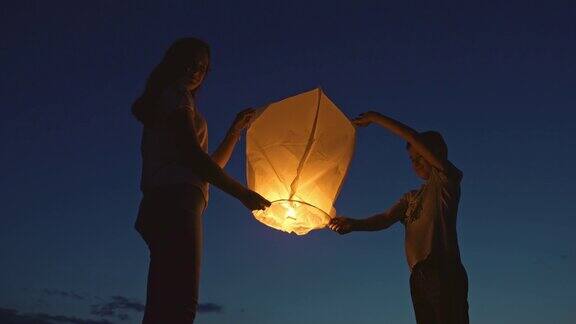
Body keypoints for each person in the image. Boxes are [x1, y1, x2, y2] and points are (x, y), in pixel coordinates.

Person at [131, 37, 270, 324]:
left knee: (164, 302)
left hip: (170, 203)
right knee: (180, 305)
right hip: (175, 202)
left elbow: (206, 166)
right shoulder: (177, 96)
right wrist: (242, 194)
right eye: (191, 63)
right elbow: (195, 159)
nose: (196, 71)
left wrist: (234, 131)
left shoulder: (175, 99)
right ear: (174, 62)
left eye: (203, 68)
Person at [329, 111, 469, 324]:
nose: (416, 163)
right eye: (412, 159)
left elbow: (413, 138)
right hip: (418, 277)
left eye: (421, 157)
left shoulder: (446, 182)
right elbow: (385, 218)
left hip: (442, 270)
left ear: (437, 153)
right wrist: (353, 224)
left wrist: (376, 118)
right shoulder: (411, 198)